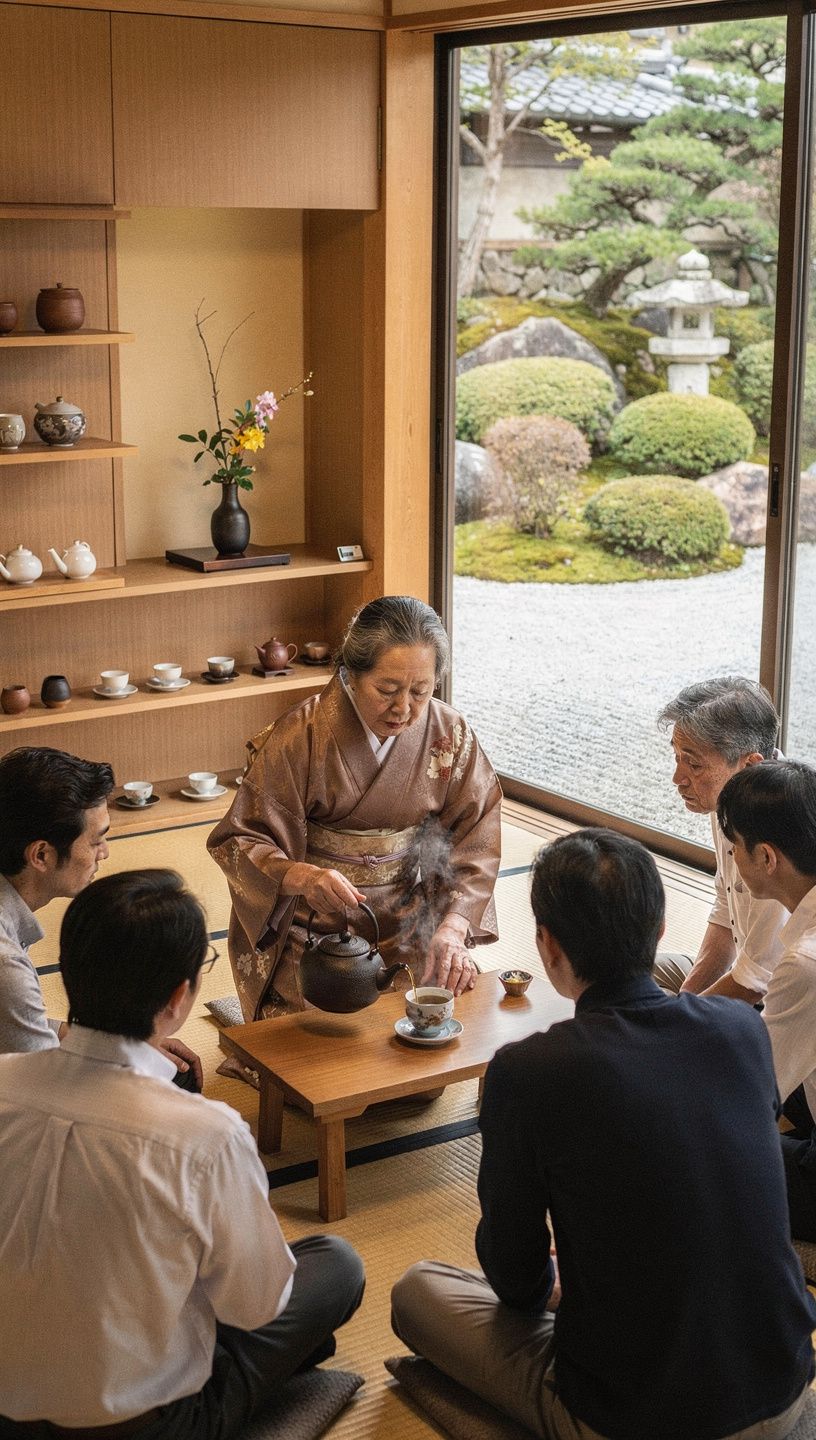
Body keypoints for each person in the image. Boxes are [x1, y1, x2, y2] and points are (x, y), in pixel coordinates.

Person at [391, 828, 816, 1440]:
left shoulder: (528, 1071)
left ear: (547, 945)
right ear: (662, 928)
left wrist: (555, 1287)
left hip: (631, 1414)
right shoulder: (740, 1029)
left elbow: (514, 1276)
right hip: (784, 1386)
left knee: (417, 1292)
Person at [0, 869, 365, 1438]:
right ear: (179, 998)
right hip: (142, 1422)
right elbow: (254, 1307)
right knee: (337, 1265)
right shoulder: (204, 1134)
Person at [209, 595, 502, 1020]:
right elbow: (240, 838)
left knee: (423, 1062)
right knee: (311, 1063)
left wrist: (454, 926)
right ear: (349, 671)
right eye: (387, 690)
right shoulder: (301, 735)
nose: (404, 708)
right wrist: (301, 876)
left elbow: (476, 832)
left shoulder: (449, 733)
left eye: (421, 691)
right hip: (313, 931)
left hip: (408, 926)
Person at [0, 745, 202, 1087]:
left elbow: (9, 1022)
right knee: (173, 1084)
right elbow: (42, 1088)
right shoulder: (6, 967)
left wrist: (117, 1044)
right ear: (41, 854)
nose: (105, 853)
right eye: (95, 842)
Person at [718, 759, 816, 1241]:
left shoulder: (805, 964)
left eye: (735, 847)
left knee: (688, 1148)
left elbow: (753, 1097)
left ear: (767, 858)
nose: (733, 857)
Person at [655, 675, 786, 1001]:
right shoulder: (733, 799)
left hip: (780, 1003)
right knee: (620, 979)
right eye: (677, 757)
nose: (678, 778)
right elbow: (726, 913)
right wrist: (687, 999)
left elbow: (756, 981)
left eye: (694, 764)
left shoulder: (781, 831)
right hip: (745, 971)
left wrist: (685, 1016)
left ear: (750, 763)